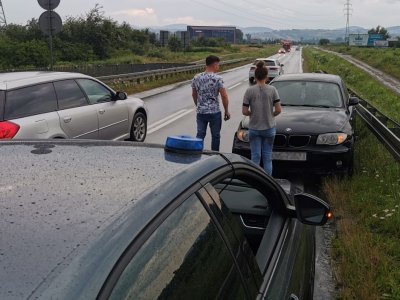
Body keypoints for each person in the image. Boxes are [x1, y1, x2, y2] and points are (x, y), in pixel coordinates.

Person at [242, 61, 282, 175]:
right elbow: (278, 110)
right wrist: (269, 115)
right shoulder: (272, 90)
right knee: (268, 157)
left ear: (255, 76)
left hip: (254, 128)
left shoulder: (249, 91)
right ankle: (268, 182)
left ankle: (255, 182)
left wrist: (254, 114)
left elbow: (244, 111)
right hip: (269, 128)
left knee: (255, 157)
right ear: (267, 76)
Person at [191, 55, 230, 151]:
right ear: (215, 65)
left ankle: (197, 153)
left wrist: (199, 105)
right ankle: (214, 155)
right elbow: (224, 96)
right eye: (218, 65)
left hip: (201, 112)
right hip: (214, 112)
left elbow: (193, 94)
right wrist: (226, 111)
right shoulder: (218, 78)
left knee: (200, 134)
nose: (218, 67)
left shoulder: (196, 77)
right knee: (215, 136)